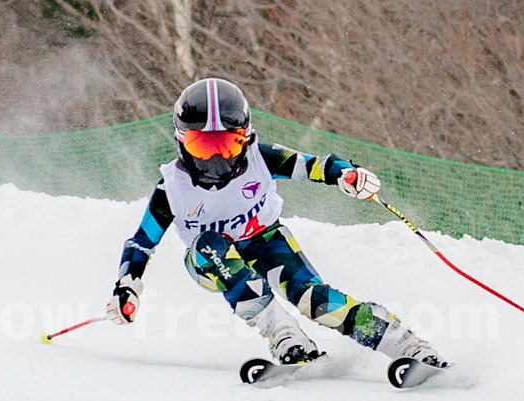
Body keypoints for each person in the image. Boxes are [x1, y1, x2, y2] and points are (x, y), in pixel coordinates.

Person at [107, 77, 446, 376]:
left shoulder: (260, 158)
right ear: (181, 141)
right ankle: (285, 335)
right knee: (209, 246)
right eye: (202, 145)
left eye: (226, 145)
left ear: (245, 137)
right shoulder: (173, 189)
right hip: (210, 259)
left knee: (315, 300)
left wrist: (348, 174)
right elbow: (141, 243)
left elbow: (315, 165)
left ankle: (403, 343)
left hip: (266, 239)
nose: (215, 159)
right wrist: (127, 285)